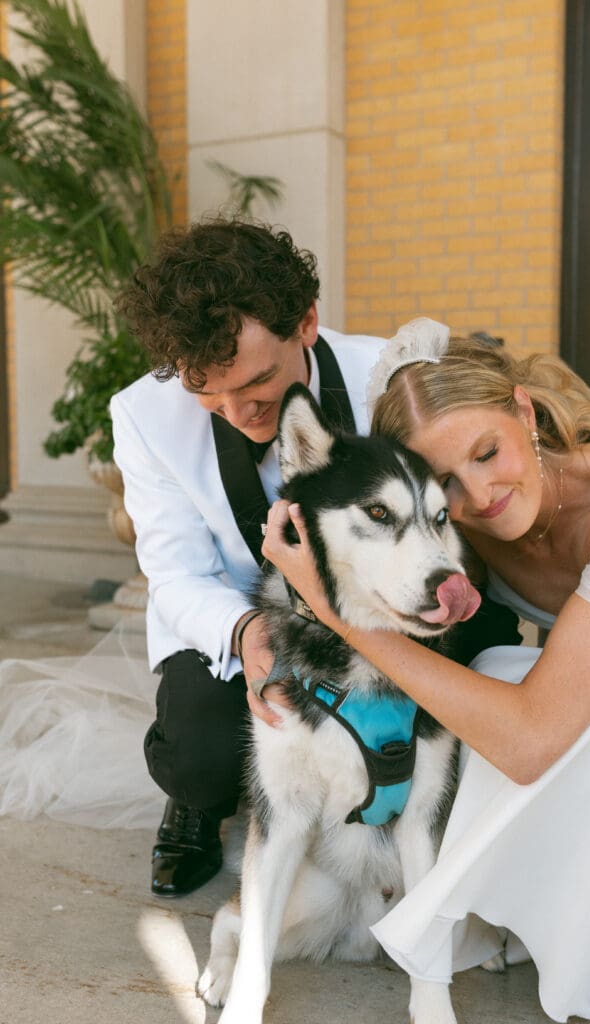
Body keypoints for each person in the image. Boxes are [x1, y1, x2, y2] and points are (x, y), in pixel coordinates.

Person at [261, 318, 590, 1024]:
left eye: (488, 452)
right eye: (445, 482)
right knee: (498, 665)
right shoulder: (461, 528)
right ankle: (557, 906)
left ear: (523, 411)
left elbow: (531, 739)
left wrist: (327, 610)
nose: (480, 494)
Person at [110, 230, 521, 899]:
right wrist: (249, 634)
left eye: (258, 384)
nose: (239, 415)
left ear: (305, 322)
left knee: (490, 661)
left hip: (387, 602)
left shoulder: (387, 379)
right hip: (245, 614)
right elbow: (176, 573)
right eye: (209, 396)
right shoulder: (140, 415)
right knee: (200, 756)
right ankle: (197, 805)